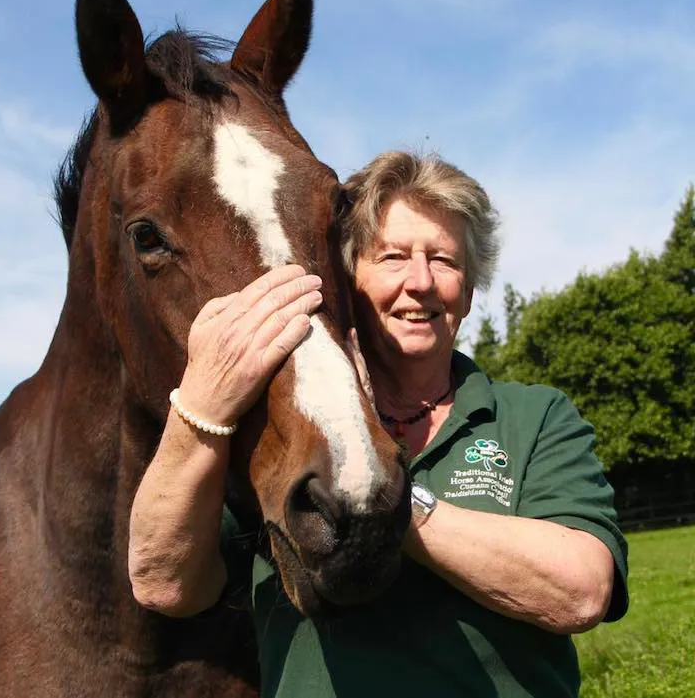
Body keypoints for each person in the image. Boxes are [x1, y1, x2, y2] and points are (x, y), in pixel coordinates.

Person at [129, 151, 629, 697]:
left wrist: (382, 494)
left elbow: (581, 591)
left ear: (466, 291)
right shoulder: (274, 429)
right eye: (393, 257)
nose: (420, 282)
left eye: (444, 260)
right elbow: (164, 582)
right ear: (346, 280)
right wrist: (201, 406)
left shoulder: (533, 416)